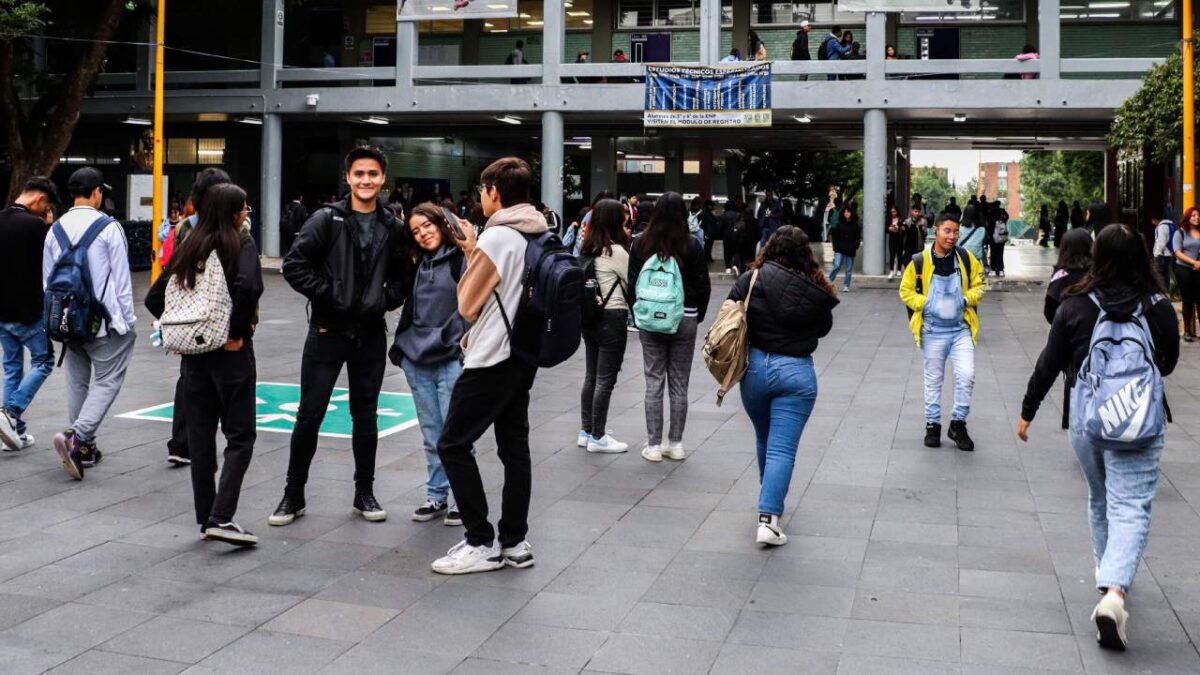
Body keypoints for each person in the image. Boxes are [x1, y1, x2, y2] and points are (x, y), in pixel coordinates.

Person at [1017, 224, 1179, 652]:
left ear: (1097, 255)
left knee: (1100, 499)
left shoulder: (1076, 304)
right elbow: (1168, 364)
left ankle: (1107, 575)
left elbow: (1050, 361)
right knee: (1132, 506)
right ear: (1142, 255)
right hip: (1140, 422)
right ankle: (1115, 592)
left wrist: (1027, 411)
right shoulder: (1159, 305)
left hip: (1087, 421)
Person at [272, 146, 407, 527]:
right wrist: (331, 294)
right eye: (359, 174)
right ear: (348, 178)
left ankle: (364, 492)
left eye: (373, 174)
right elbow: (294, 266)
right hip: (327, 332)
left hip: (370, 335)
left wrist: (384, 298)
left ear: (383, 179)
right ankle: (293, 494)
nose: (366, 180)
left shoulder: (392, 225)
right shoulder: (325, 219)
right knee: (309, 415)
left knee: (365, 416)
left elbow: (403, 277)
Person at [429, 157, 545, 575]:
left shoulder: (498, 238)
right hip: (522, 354)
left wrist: (472, 250)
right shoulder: (537, 229)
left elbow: (467, 303)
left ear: (495, 191)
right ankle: (514, 540)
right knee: (514, 447)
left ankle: (480, 540)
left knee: (452, 444)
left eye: (482, 190)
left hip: (492, 353)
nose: (480, 198)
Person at [145, 183, 263, 546]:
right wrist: (237, 331)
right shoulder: (240, 243)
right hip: (230, 356)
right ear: (232, 212)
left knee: (200, 438)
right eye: (244, 208)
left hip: (194, 360)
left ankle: (205, 517)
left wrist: (183, 332)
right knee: (240, 436)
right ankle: (222, 516)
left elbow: (154, 297)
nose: (246, 213)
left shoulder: (190, 244)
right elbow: (249, 287)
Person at [732, 226, 838, 546]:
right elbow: (824, 328)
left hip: (753, 371)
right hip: (796, 373)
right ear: (806, 252)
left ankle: (770, 503)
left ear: (769, 246)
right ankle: (768, 518)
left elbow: (730, 313)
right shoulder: (814, 288)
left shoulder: (750, 279)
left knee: (765, 439)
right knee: (781, 447)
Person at [43, 167, 137, 479]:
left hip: (67, 321)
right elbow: (122, 280)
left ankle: (85, 448)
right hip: (102, 321)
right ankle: (77, 437)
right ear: (96, 192)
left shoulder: (54, 229)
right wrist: (127, 320)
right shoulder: (108, 228)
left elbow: (47, 282)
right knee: (109, 379)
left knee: (77, 381)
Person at [390, 203, 475, 525]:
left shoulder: (461, 261)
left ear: (442, 225)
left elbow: (472, 308)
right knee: (431, 433)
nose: (423, 233)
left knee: (455, 434)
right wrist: (402, 350)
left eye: (427, 225)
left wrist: (460, 346)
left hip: (451, 358)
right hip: (417, 359)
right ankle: (437, 495)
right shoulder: (416, 264)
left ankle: (460, 498)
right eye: (415, 230)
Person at [628, 192, 711, 463]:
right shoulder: (692, 244)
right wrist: (696, 315)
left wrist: (638, 312)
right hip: (685, 316)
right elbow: (703, 285)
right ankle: (675, 443)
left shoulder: (640, 244)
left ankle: (653, 445)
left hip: (650, 319)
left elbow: (632, 284)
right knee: (679, 383)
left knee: (653, 380)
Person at [899, 214, 985, 452]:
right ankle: (932, 425)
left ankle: (958, 423)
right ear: (935, 231)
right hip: (932, 331)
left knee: (966, 375)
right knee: (933, 380)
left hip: (960, 330)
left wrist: (967, 298)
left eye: (956, 232)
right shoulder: (919, 261)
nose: (952, 236)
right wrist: (926, 303)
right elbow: (905, 292)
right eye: (947, 231)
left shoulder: (966, 259)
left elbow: (980, 284)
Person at [165, 168, 233, 467]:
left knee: (189, 380)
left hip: (189, 318)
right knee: (222, 383)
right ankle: (224, 443)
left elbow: (171, 278)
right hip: (219, 319)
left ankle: (181, 443)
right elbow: (243, 283)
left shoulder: (184, 228)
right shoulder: (234, 230)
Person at [0, 176, 58, 452]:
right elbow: (49, 263)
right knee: (44, 360)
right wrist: (46, 226)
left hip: (1, 311)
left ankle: (15, 433)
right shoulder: (35, 226)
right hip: (28, 311)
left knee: (12, 366)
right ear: (40, 200)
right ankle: (10, 413)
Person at [577, 198, 631, 454]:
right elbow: (632, 282)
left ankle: (586, 430)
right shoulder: (616, 252)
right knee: (605, 380)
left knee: (591, 376)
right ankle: (598, 436)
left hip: (589, 318)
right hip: (611, 317)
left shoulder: (586, 249)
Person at [1172, 207, 1200, 342]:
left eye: (1198, 216)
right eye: (1193, 215)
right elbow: (1177, 252)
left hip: (1198, 270)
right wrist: (1193, 262)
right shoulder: (1180, 233)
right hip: (1183, 269)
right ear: (1188, 217)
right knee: (1187, 300)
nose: (1196, 218)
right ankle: (1187, 331)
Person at [828, 205, 860, 292]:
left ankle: (846, 285)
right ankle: (828, 282)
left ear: (851, 213)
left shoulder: (855, 225)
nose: (846, 213)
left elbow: (857, 237)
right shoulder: (839, 224)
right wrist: (836, 246)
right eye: (845, 212)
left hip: (850, 249)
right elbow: (835, 237)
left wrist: (855, 246)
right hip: (839, 249)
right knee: (837, 265)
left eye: (848, 211)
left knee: (849, 269)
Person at [1151, 211, 1176, 290]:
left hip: (1162, 254)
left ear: (1154, 220)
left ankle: (1161, 292)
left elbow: (1161, 241)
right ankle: (1167, 292)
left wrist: (1156, 253)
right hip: (1169, 254)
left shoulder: (1161, 227)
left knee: (1158, 275)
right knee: (1166, 275)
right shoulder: (1171, 225)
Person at [280, 191, 308, 256]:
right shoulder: (302, 208)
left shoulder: (287, 206)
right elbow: (304, 221)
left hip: (287, 232)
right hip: (297, 233)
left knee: (287, 249)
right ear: (301, 198)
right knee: (296, 251)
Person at [721, 198, 744, 274]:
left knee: (727, 251)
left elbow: (721, 227)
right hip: (736, 235)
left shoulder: (724, 215)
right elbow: (741, 225)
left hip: (726, 235)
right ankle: (735, 265)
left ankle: (728, 267)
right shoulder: (738, 214)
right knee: (736, 251)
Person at [886, 204, 907, 280]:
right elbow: (886, 229)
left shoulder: (901, 219)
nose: (893, 213)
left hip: (899, 238)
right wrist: (889, 228)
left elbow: (904, 229)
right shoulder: (889, 219)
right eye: (892, 212)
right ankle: (891, 270)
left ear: (897, 211)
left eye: (894, 211)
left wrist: (899, 228)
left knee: (899, 254)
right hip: (892, 239)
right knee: (892, 254)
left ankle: (898, 269)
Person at [990, 202, 1009, 278]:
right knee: (1000, 253)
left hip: (993, 236)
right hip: (1001, 235)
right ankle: (1001, 270)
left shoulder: (991, 212)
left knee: (993, 253)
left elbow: (989, 223)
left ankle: (993, 269)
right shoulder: (1002, 211)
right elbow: (1007, 217)